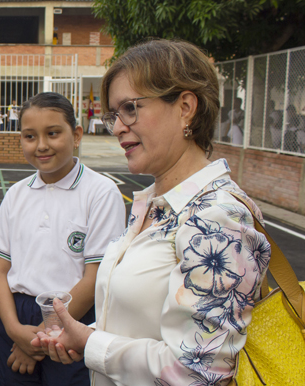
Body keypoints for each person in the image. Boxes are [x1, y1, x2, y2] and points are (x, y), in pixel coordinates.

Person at [33, 39, 271, 386]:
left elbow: (199, 372)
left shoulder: (218, 218)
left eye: (130, 108)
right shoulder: (158, 205)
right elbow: (146, 323)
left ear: (185, 107)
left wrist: (91, 343)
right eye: (114, 114)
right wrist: (84, 334)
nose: (116, 127)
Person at [0, 92, 125, 386]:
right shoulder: (16, 195)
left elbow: (94, 279)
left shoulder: (101, 193)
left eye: (53, 133)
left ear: (76, 135)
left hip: (73, 318)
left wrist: (40, 338)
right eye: (29, 136)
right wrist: (15, 331)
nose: (41, 145)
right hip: (18, 318)